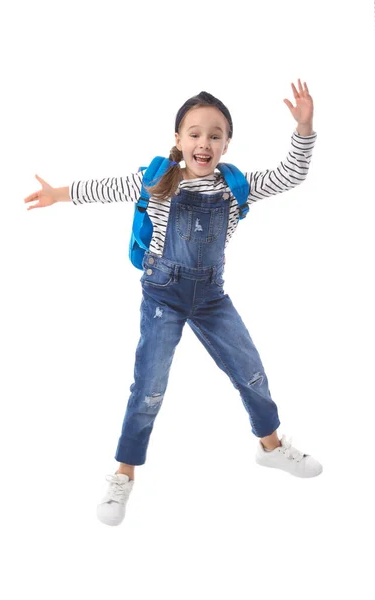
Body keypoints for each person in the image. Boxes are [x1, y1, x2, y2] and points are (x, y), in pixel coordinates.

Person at [24, 78, 323, 528]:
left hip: (211, 297)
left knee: (251, 371)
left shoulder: (234, 188)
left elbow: (292, 174)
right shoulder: (157, 180)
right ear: (179, 140)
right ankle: (123, 473)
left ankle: (272, 447)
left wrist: (304, 127)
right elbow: (102, 187)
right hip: (162, 295)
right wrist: (57, 194)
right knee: (148, 388)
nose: (204, 142)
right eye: (195, 133)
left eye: (215, 134)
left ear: (226, 144)